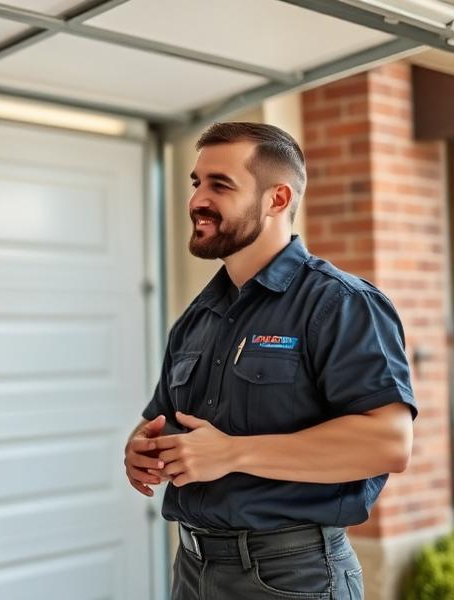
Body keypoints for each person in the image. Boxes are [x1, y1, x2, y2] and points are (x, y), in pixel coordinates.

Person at [124, 122, 415, 599]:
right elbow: (158, 421)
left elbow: (387, 442)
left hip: (291, 576)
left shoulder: (340, 303)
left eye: (221, 185)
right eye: (197, 183)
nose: (197, 200)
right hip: (192, 570)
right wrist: (140, 449)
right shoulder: (198, 315)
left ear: (277, 200)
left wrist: (232, 453)